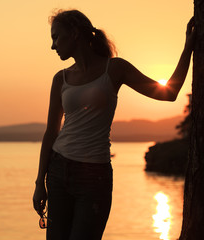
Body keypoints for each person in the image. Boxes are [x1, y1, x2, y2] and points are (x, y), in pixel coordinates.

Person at [32, 9, 195, 240]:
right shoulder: (61, 78)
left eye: (56, 37)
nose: (53, 45)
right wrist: (40, 182)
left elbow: (169, 93)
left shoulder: (115, 69)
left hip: (93, 175)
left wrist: (188, 47)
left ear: (75, 34)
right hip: (58, 171)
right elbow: (51, 132)